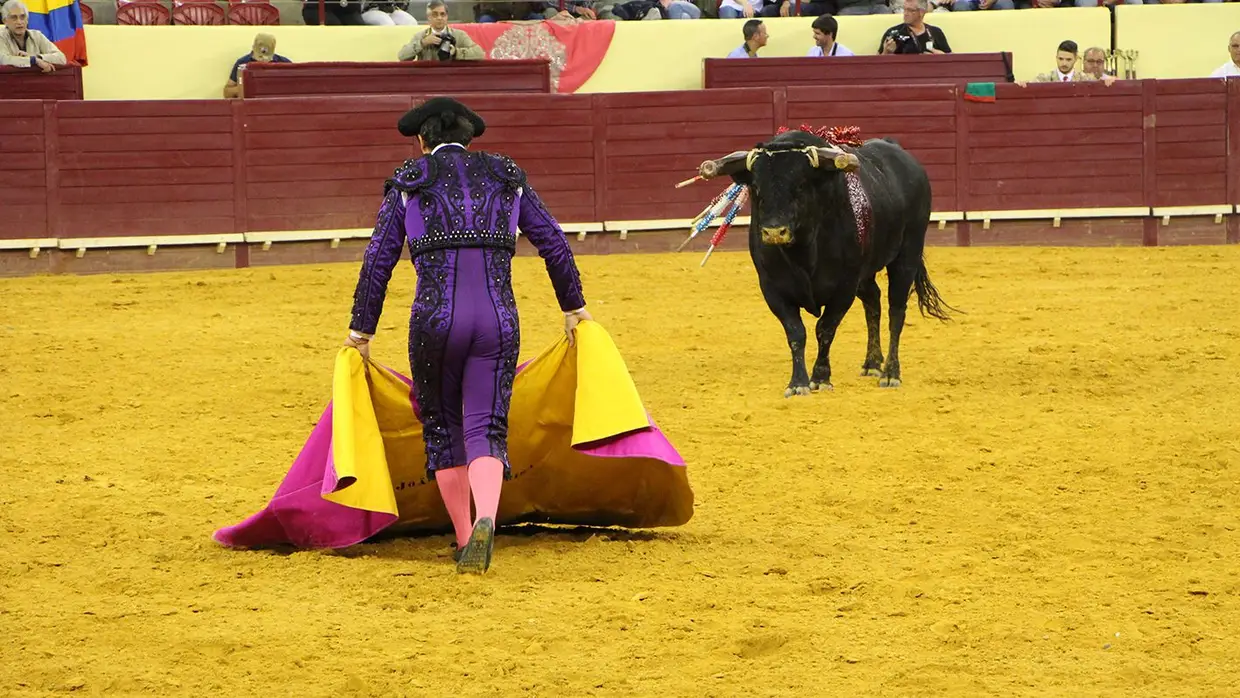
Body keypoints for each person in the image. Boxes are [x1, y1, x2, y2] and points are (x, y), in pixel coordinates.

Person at [343, 97, 592, 575]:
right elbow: (554, 242)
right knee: (486, 425)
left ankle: (463, 538)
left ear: (422, 141)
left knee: (443, 427)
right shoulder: (507, 177)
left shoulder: (410, 182)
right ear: (470, 138)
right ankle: (487, 520)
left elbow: (378, 260)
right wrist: (572, 305)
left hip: (435, 321)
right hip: (498, 320)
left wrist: (362, 328)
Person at [397, 0, 485, 62]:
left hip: (452, 78)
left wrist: (455, 52)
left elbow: (480, 54)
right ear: (429, 18)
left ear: (447, 17)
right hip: (427, 79)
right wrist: (423, 43)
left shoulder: (459, 35)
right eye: (435, 14)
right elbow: (402, 56)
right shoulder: (420, 36)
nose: (439, 18)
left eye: (442, 14)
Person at [0, 0, 66, 72]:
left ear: (27, 20)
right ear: (5, 21)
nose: (19, 22)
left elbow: (61, 58)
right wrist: (33, 60)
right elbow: (3, 60)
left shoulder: (37, 35)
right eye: (14, 18)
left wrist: (37, 57)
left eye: (22, 17)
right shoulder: (1, 37)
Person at [223, 33, 292, 99]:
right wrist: (242, 89)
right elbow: (227, 92)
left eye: (267, 58)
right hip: (250, 106)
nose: (262, 60)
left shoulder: (284, 63)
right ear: (253, 47)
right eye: (259, 56)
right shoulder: (242, 63)